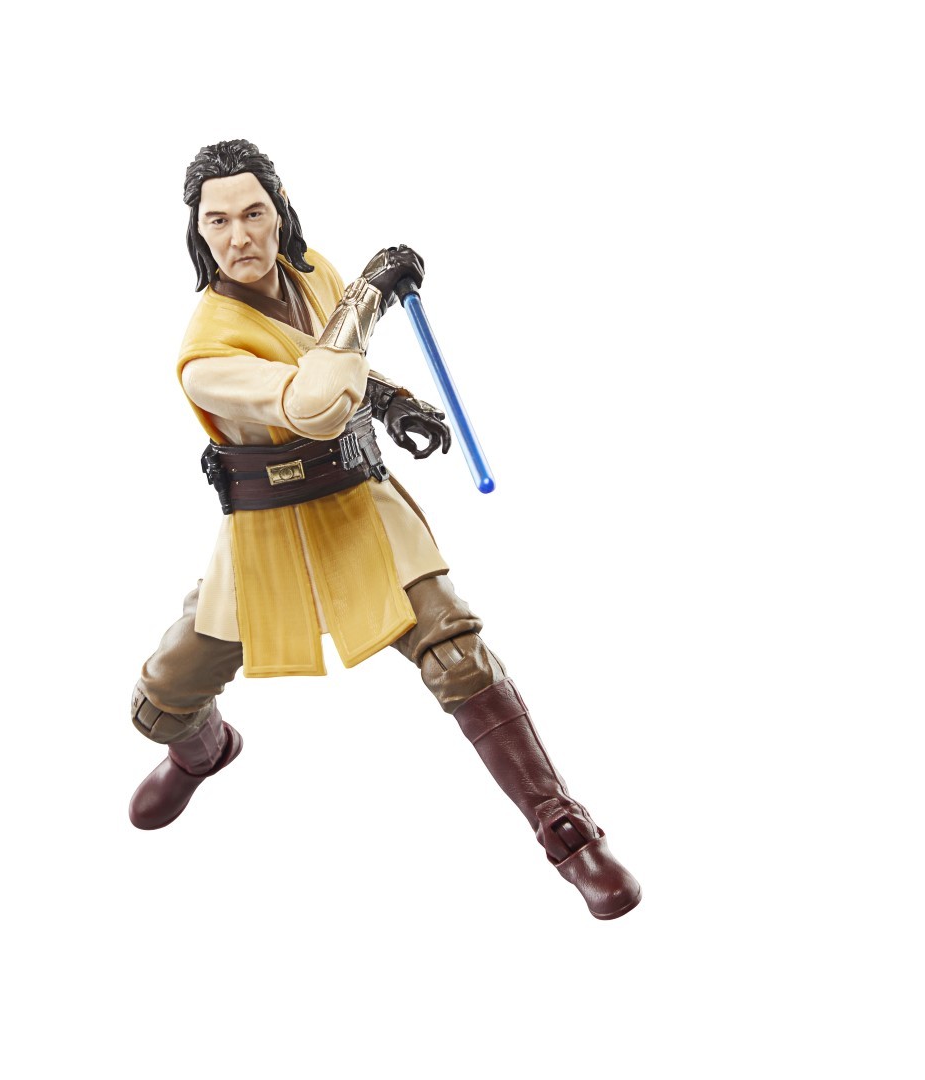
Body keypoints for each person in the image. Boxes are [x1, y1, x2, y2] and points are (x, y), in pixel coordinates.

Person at [129, 139, 642, 920]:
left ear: (280, 211)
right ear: (197, 232)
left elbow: (336, 361)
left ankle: (565, 830)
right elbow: (310, 402)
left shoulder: (310, 275)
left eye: (254, 213)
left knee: (457, 654)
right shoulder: (206, 351)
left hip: (356, 505)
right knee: (163, 696)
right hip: (268, 536)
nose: (240, 237)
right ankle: (204, 751)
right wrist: (367, 296)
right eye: (218, 221)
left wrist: (393, 400)